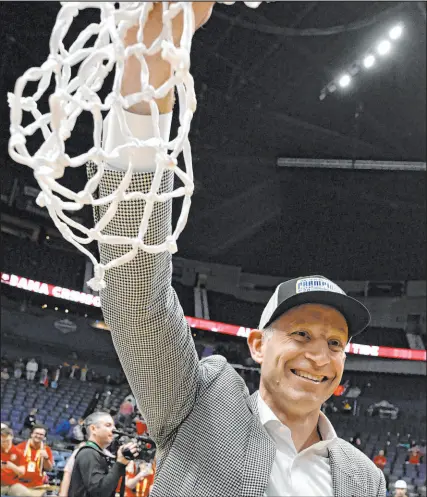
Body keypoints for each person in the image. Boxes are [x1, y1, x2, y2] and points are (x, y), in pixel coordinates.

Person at [90, 4, 385, 496]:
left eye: (334, 344)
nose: (318, 355)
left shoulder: (364, 479)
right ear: (256, 344)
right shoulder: (201, 400)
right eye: (301, 333)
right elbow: (136, 295)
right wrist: (150, 68)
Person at [68, 412, 138, 497]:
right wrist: (120, 464)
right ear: (93, 428)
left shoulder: (98, 453)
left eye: (114, 426)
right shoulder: (88, 453)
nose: (114, 429)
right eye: (108, 425)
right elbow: (99, 492)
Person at [16, 424, 54, 491]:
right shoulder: (21, 447)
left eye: (41, 434)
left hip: (37, 486)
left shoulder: (46, 449)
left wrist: (46, 458)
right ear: (31, 434)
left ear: (44, 437)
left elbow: (49, 469)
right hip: (19, 484)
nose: (38, 436)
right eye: (36, 433)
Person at [1, 425, 33, 497]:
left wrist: (12, 466)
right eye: (3, 441)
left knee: (27, 495)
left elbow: (22, 472)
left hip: (12, 484)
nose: (5, 443)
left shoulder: (19, 453)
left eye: (8, 441)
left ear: (12, 437)